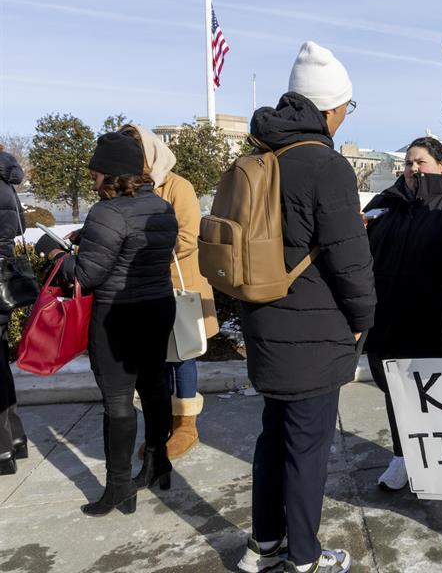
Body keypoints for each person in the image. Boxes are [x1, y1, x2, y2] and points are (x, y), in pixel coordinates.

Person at [236, 41, 375, 573]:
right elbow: (350, 260)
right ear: (331, 107)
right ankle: (304, 558)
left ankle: (265, 545)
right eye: (346, 106)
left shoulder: (260, 157)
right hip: (314, 332)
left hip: (264, 321)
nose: (344, 116)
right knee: (307, 449)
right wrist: (363, 320)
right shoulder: (326, 166)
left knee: (273, 437)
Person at [49, 133, 177, 515]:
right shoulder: (161, 206)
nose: (93, 182)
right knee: (154, 388)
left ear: (111, 173)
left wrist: (54, 254)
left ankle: (120, 486)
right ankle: (158, 463)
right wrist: (91, 238)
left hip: (117, 317)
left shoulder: (106, 212)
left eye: (96, 174)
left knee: (118, 400)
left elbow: (86, 275)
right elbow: (140, 248)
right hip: (158, 308)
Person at [363, 136, 442, 491]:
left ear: (441, 165)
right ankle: (402, 457)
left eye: (420, 162)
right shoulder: (386, 201)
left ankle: (439, 459)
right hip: (386, 319)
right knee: (395, 392)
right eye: (409, 162)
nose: (413, 168)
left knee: (434, 396)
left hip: (430, 320)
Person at [119, 124, 219, 459]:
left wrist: (143, 251)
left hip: (178, 285)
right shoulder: (126, 188)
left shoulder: (178, 186)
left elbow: (189, 237)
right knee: (156, 358)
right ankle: (160, 423)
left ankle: (186, 425)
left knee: (183, 355)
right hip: (142, 287)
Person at [0, 147, 28, 476]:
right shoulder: (6, 181)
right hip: (3, 279)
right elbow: (21, 224)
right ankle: (14, 438)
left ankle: (3, 445)